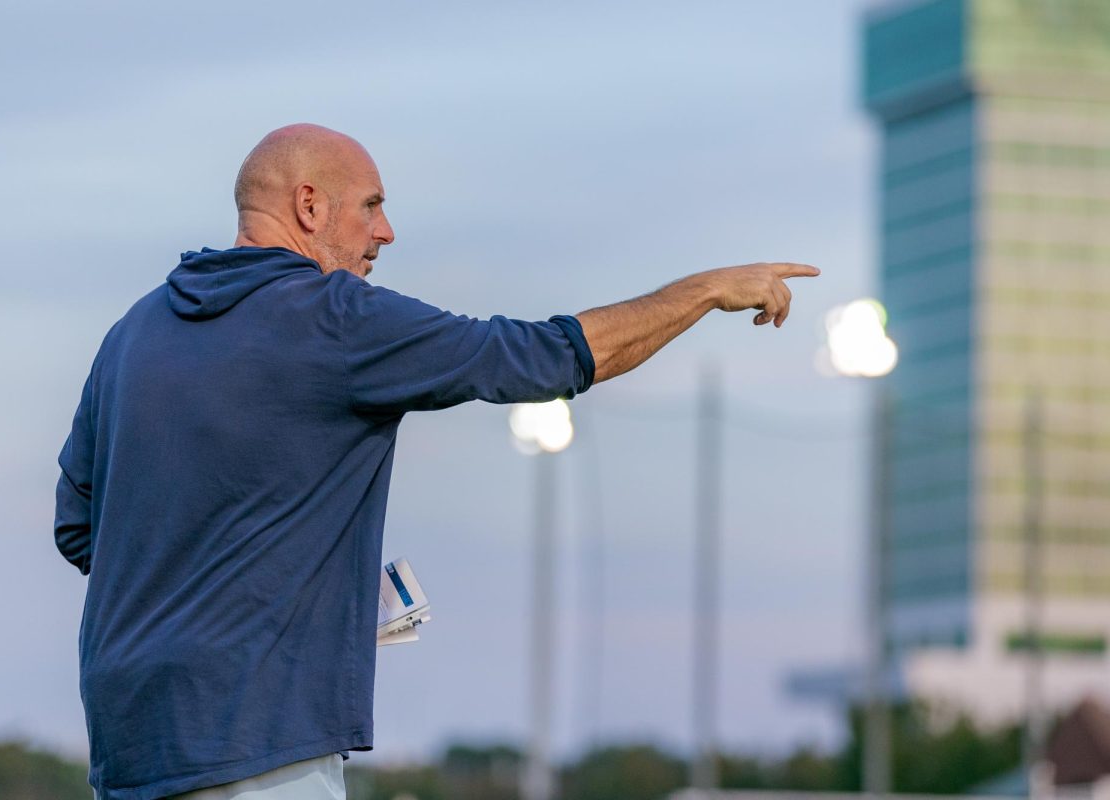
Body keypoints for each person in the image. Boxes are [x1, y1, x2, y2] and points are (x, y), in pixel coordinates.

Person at [54, 123, 819, 800]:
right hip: (259, 744)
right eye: (371, 206)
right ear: (310, 207)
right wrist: (708, 288)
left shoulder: (132, 334)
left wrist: (279, 593)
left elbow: (80, 529)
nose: (385, 232)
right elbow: (543, 358)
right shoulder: (335, 319)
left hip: (130, 745)